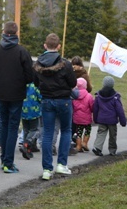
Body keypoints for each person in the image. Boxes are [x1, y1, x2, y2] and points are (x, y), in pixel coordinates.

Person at [0, 21, 34, 174]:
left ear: (4, 32)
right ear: (16, 34)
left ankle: (4, 159)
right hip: (16, 93)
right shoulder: (22, 52)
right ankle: (8, 161)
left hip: (0, 93)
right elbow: (30, 75)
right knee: (12, 126)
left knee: (3, 124)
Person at [35, 33, 77, 181]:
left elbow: (35, 82)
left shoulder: (38, 64)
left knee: (47, 133)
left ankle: (47, 169)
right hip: (63, 100)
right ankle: (61, 164)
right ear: (59, 46)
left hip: (47, 100)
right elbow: (72, 83)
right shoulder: (65, 64)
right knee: (66, 130)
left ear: (45, 45)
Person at [92, 76, 127, 156]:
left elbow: (95, 108)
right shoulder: (115, 97)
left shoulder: (98, 96)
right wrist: (123, 121)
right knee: (112, 135)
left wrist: (95, 119)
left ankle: (97, 147)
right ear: (113, 85)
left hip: (101, 119)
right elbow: (119, 110)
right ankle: (112, 150)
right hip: (112, 120)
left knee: (101, 133)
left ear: (103, 84)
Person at [19, 82, 42, 160]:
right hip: (34, 110)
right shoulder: (35, 85)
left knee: (26, 129)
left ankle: (27, 149)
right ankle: (26, 144)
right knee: (34, 129)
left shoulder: (21, 84)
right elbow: (40, 97)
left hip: (23, 109)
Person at [72, 78, 94, 153]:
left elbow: (73, 107)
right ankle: (84, 143)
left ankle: (78, 146)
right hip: (87, 118)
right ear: (85, 86)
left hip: (77, 118)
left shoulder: (74, 96)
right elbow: (92, 106)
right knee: (88, 131)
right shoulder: (89, 96)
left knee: (79, 132)